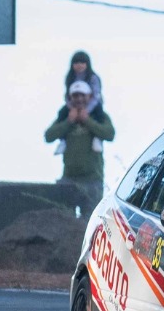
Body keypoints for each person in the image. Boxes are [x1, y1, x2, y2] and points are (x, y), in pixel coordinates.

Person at [44, 80, 115, 215]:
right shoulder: (65, 115)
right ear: (70, 98)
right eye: (75, 95)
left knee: (89, 221)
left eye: (83, 95)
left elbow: (110, 134)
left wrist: (87, 120)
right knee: (64, 219)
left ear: (90, 96)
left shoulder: (99, 115)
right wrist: (68, 121)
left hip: (92, 180)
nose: (79, 99)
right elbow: (49, 136)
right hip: (68, 179)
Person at [52, 50, 105, 154]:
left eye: (82, 62)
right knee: (62, 113)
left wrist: (87, 110)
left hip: (93, 104)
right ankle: (62, 141)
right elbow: (67, 95)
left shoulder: (93, 77)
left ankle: (98, 138)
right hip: (74, 105)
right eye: (76, 62)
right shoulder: (70, 77)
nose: (79, 65)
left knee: (99, 114)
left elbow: (96, 95)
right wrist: (72, 108)